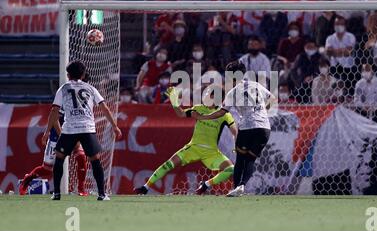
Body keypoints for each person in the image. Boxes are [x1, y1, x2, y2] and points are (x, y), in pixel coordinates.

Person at [134, 85, 237, 195]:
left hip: (211, 152)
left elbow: (235, 131)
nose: (206, 97)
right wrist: (174, 102)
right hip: (193, 148)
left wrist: (236, 145)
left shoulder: (225, 115)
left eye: (209, 95)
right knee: (168, 164)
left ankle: (206, 184)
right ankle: (145, 187)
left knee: (230, 169)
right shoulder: (198, 108)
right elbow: (181, 113)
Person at [194, 61, 276, 197]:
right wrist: (263, 112)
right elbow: (272, 99)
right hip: (264, 128)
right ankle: (241, 186)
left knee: (240, 160)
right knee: (250, 159)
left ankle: (237, 187)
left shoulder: (232, 92)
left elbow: (222, 112)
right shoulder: (256, 85)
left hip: (247, 128)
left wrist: (204, 117)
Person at [42, 61, 121, 200]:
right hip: (87, 128)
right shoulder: (90, 88)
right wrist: (114, 126)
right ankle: (102, 194)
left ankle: (57, 193)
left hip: (69, 129)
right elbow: (104, 108)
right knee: (95, 160)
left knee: (59, 159)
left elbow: (54, 111)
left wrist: (47, 131)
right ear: (84, 74)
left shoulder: (63, 88)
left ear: (68, 75)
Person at [19, 111, 88, 196]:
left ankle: (81, 189)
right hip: (56, 138)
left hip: (72, 134)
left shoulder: (79, 101)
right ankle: (27, 179)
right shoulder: (61, 99)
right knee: (47, 169)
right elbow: (54, 118)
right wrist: (54, 134)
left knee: (81, 157)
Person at [288, 39, 322, 104]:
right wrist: (299, 82)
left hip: (316, 82)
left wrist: (313, 77)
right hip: (302, 82)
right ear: (304, 47)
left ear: (316, 48)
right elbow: (293, 70)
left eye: (312, 47)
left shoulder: (320, 57)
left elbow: (322, 70)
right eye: (308, 47)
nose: (310, 49)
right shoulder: (300, 56)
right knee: (295, 95)